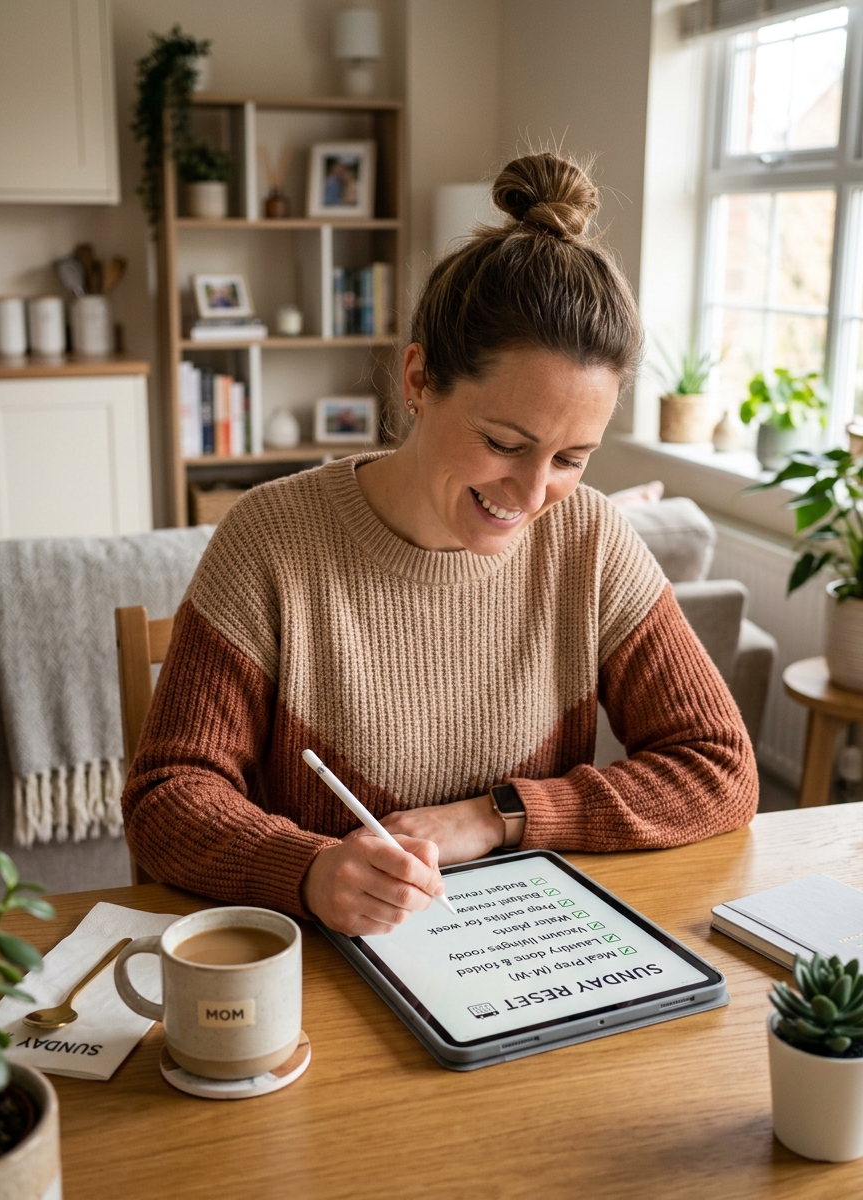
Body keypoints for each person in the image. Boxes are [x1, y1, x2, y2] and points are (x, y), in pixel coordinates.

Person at [122, 152, 757, 936]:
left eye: (570, 459)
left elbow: (720, 768)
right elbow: (167, 795)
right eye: (502, 441)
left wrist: (499, 817)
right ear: (417, 380)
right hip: (327, 967)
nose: (531, 497)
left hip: (529, 956)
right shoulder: (272, 539)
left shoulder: (589, 537)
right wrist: (310, 871)